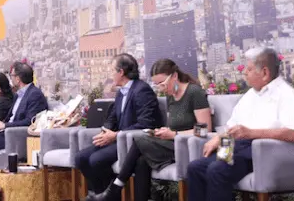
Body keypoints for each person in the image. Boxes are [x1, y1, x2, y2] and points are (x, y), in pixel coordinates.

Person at [187, 47, 294, 201]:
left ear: (265, 73)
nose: (244, 73)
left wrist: (251, 133)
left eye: (249, 69)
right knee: (195, 168)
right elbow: (232, 128)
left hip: (265, 152)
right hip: (237, 147)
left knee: (216, 170)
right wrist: (218, 139)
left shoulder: (286, 94)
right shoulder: (250, 95)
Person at [88, 58, 212, 200]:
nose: (161, 88)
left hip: (188, 146)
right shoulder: (171, 95)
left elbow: (205, 130)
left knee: (139, 139)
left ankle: (115, 189)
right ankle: (121, 191)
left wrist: (175, 134)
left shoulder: (194, 93)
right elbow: (173, 126)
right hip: (171, 143)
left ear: (175, 76)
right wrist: (163, 132)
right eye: (157, 85)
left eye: (162, 83)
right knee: (141, 161)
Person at [76, 53, 163, 196]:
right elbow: (113, 117)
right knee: (80, 158)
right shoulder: (121, 92)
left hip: (133, 142)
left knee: (96, 160)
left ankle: (110, 196)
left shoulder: (142, 90)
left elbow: (146, 123)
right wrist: (106, 130)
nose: (110, 74)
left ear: (121, 72)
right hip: (118, 139)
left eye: (112, 70)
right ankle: (100, 194)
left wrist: (116, 135)